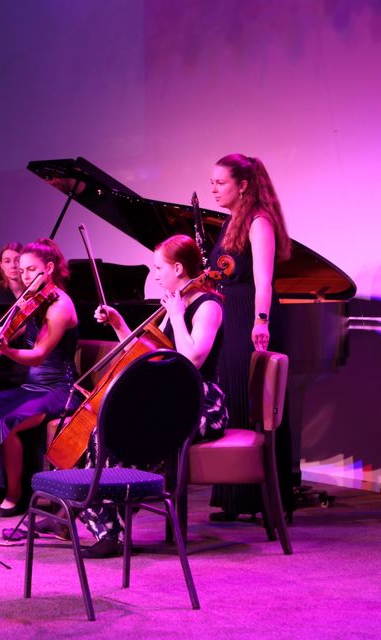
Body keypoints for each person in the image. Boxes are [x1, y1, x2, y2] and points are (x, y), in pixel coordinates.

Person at [81, 234, 228, 556]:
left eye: (159, 267)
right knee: (105, 432)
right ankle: (108, 526)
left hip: (200, 400)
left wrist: (176, 314)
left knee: (128, 435)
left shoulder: (208, 306)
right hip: (169, 396)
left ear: (178, 267)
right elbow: (146, 353)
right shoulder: (174, 299)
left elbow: (191, 361)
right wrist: (120, 325)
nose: (156, 274)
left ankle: (112, 529)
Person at [0, 238, 80, 517]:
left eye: (31, 270)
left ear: (49, 268)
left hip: (57, 389)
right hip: (32, 386)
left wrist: (7, 350)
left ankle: (16, 494)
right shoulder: (32, 299)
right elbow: (8, 330)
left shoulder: (60, 306)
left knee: (7, 422)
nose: (25, 276)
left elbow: (38, 354)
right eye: (22, 270)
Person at [207, 153, 293, 521]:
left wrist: (261, 321)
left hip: (249, 317)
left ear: (243, 185)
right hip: (231, 315)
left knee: (257, 404)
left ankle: (271, 501)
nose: (213, 189)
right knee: (234, 399)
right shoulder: (231, 224)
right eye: (211, 182)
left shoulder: (259, 222)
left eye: (220, 182)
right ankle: (235, 499)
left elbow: (263, 281)